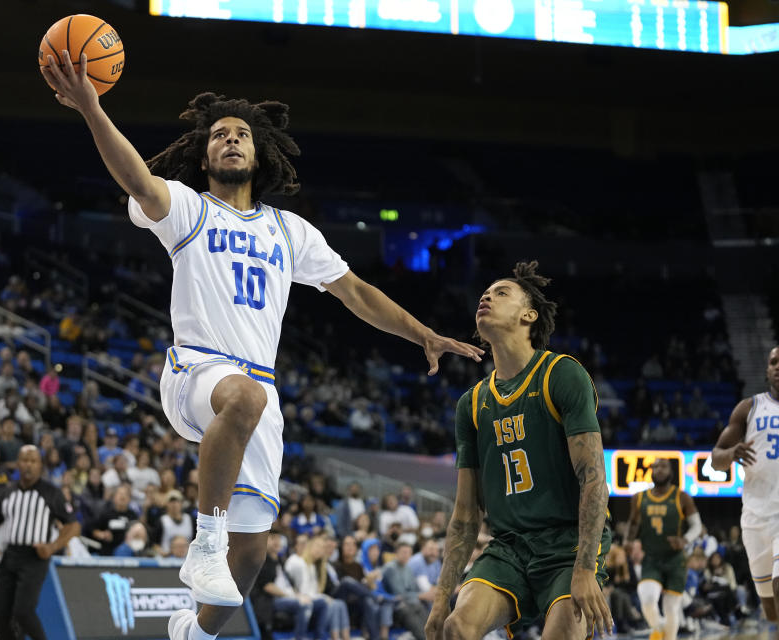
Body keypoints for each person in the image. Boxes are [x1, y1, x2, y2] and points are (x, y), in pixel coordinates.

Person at [42, 53, 484, 640]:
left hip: (258, 391)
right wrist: (94, 110)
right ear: (204, 155)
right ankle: (204, 541)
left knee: (250, 558)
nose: (231, 140)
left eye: (242, 134)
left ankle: (192, 633)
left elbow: (355, 291)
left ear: (259, 153)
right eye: (220, 134)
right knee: (243, 403)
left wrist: (422, 333)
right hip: (196, 369)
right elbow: (136, 179)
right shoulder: (188, 209)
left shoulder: (288, 230)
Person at [426, 262, 612, 640]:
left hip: (568, 542)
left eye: (501, 292)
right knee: (456, 627)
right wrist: (440, 598)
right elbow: (465, 513)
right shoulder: (473, 403)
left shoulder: (561, 374)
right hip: (510, 546)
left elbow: (593, 480)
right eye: (485, 292)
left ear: (529, 314)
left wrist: (585, 568)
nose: (486, 296)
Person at [712, 344, 779, 624]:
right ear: (767, 370)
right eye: (774, 362)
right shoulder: (749, 408)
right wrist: (731, 453)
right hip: (755, 516)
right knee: (771, 611)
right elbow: (716, 459)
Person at [0, 445, 80, 640]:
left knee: (23, 611)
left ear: (40, 465)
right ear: (17, 464)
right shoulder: (7, 492)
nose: (28, 465)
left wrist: (53, 546)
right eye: (24, 460)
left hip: (34, 557)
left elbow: (73, 526)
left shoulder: (52, 493)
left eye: (33, 461)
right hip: (10, 555)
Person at [625, 458, 702, 640]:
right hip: (651, 558)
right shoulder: (639, 498)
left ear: (671, 472)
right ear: (651, 471)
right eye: (656, 466)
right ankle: (657, 627)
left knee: (671, 608)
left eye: (664, 466)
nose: (659, 469)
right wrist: (627, 540)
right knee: (647, 601)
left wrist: (684, 540)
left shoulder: (681, 497)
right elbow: (633, 523)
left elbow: (697, 526)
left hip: (675, 559)